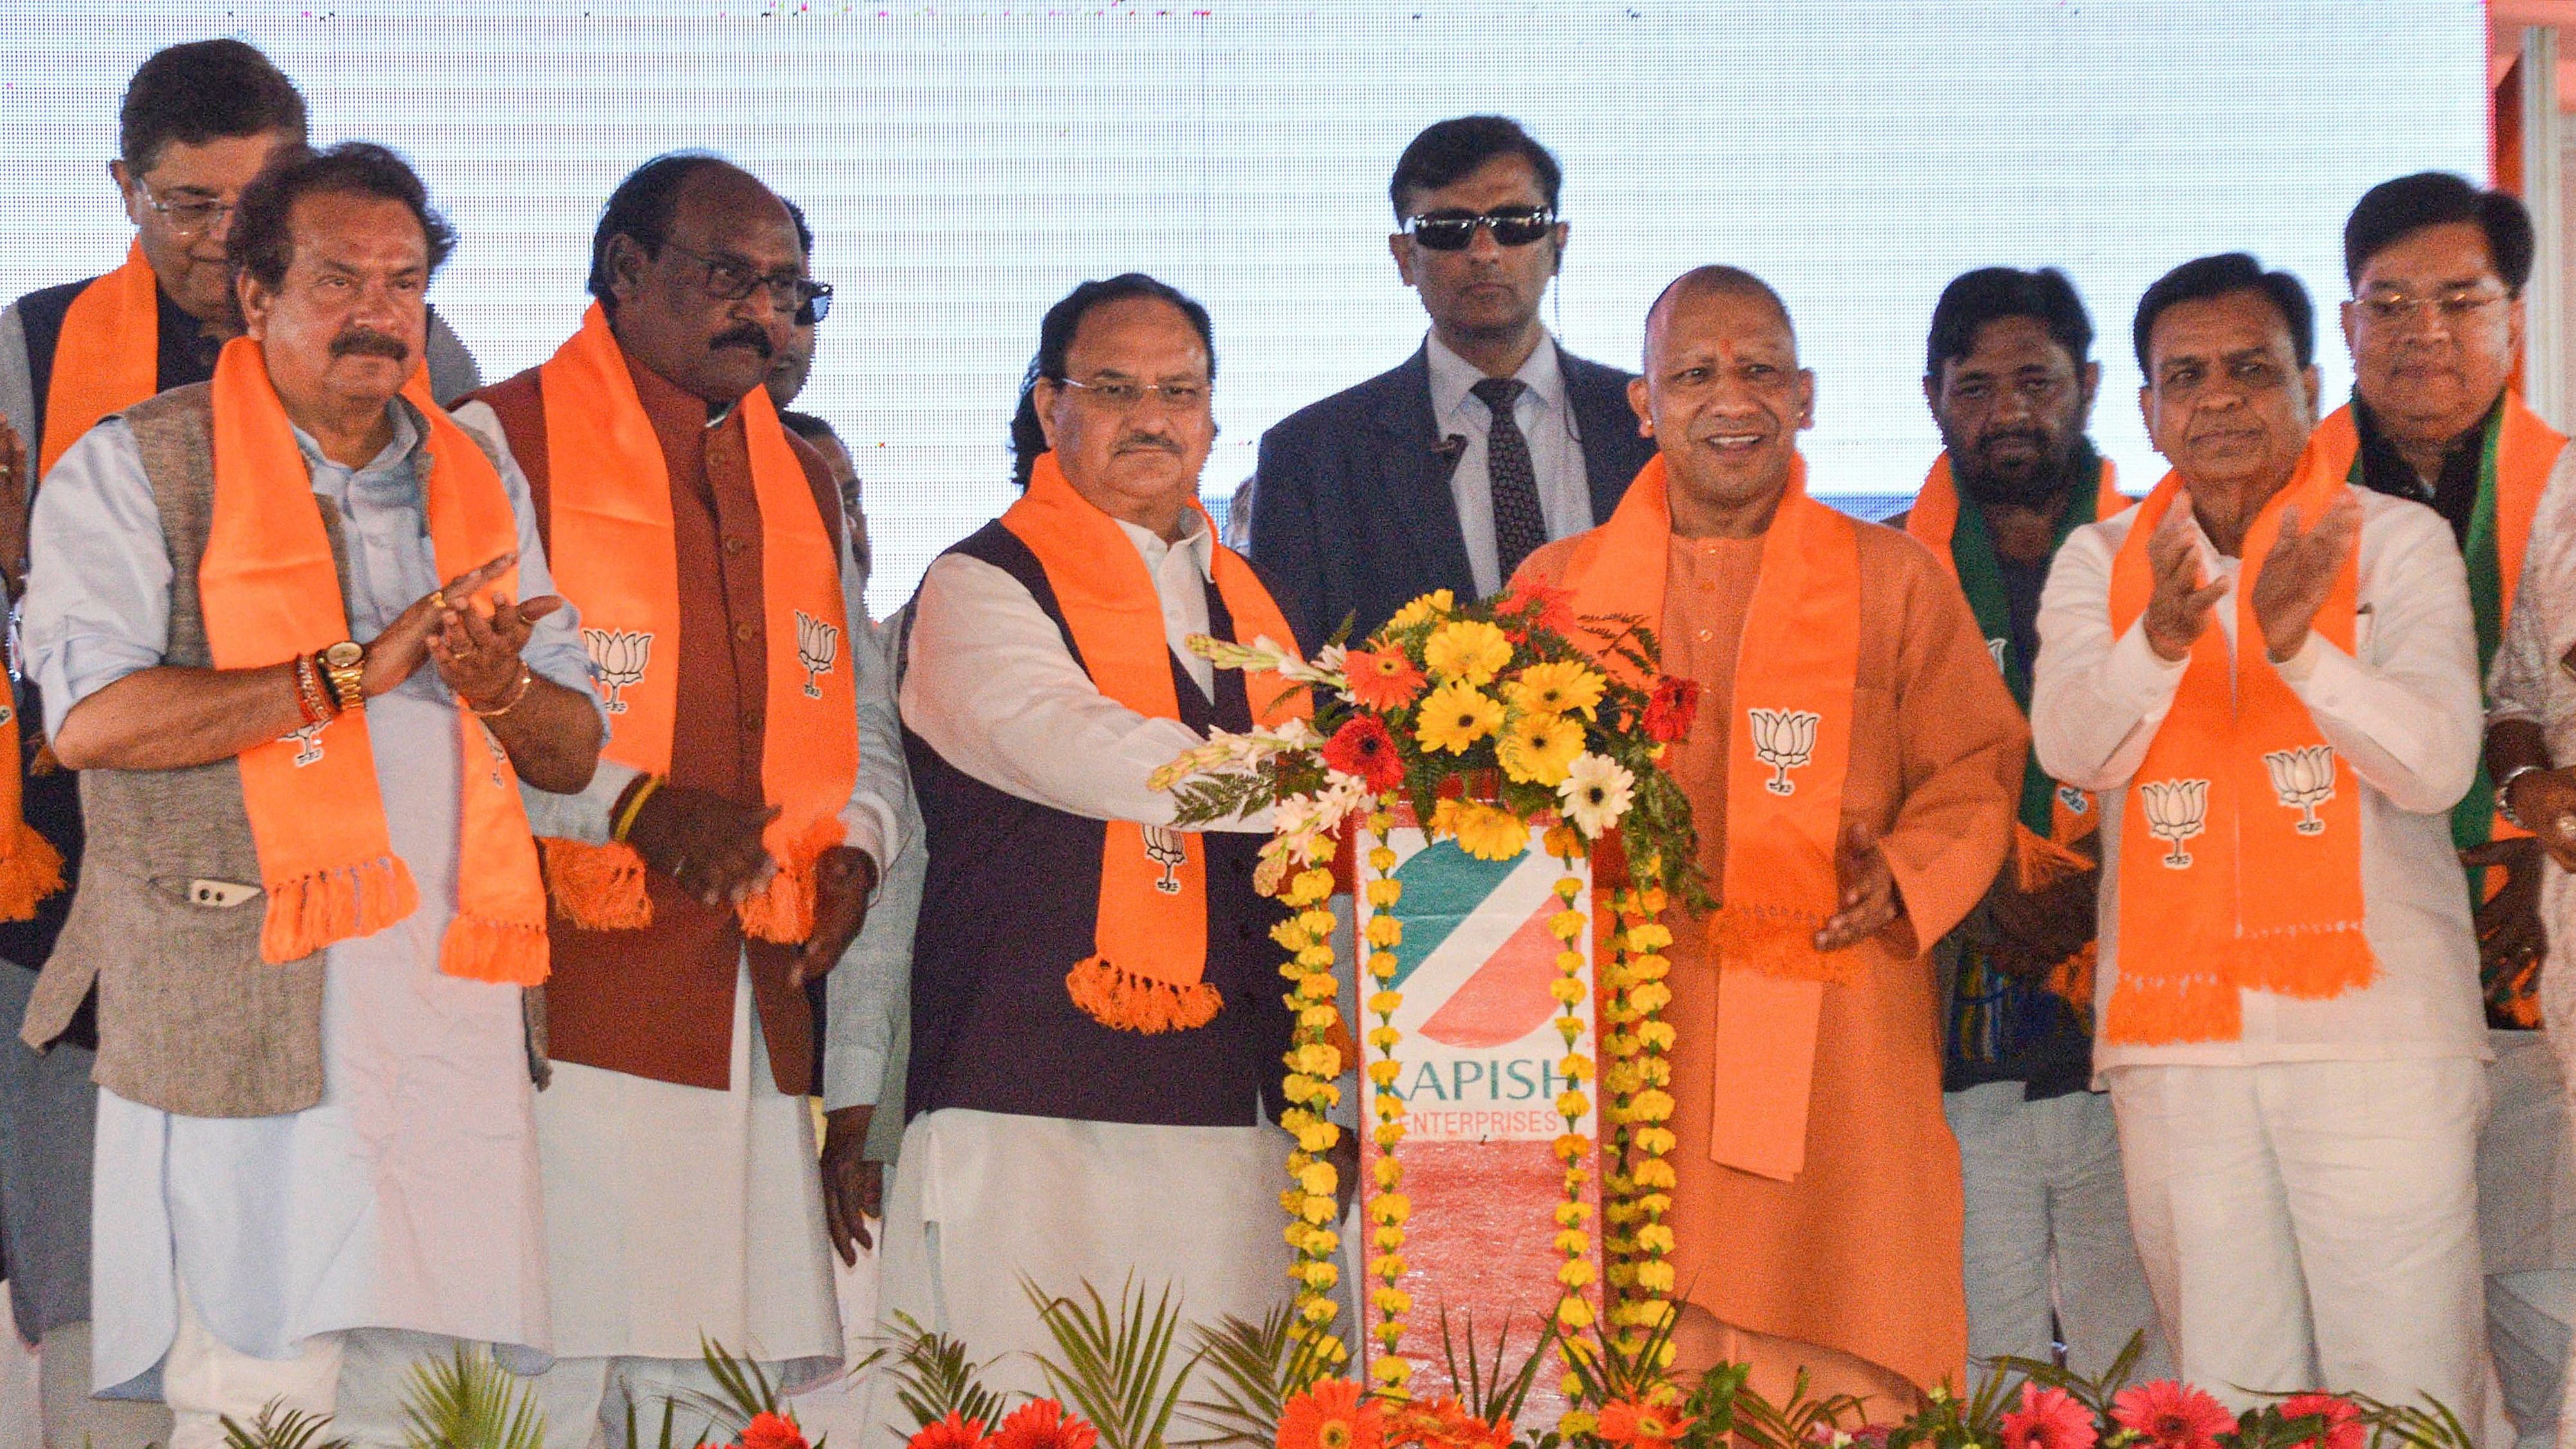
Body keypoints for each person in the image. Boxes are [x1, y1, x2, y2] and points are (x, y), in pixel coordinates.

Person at [14, 141, 602, 1447]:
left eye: (405, 281)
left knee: (429, 1397)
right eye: (339, 278)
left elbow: (570, 747)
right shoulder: (134, 467)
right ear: (254, 289)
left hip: (448, 1013)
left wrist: (500, 690)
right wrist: (347, 671)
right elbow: (97, 718)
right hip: (243, 996)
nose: (380, 312)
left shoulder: (475, 478)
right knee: (254, 1394)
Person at [1515, 266, 2024, 1405]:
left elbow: (1974, 766)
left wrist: (1901, 873)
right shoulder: (1555, 591)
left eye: (1756, 370)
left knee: (1841, 1340)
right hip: (1623, 1033)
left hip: (1836, 1031)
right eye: (1692, 374)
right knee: (1632, 1343)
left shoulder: (1893, 578)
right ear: (1641, 405)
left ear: (1804, 396)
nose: (1727, 397)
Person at [458, 151, 903, 1443]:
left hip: (752, 1012)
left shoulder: (804, 473)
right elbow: (460, 711)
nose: (763, 311)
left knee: (713, 1386)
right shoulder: (501, 436)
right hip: (562, 997)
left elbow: (862, 723)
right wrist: (637, 807)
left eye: (788, 288)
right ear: (627, 272)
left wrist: (855, 855)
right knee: (546, 1377)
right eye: (730, 276)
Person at [2032, 252, 2487, 1414]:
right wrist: (2160, 642)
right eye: (2184, 374)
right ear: (2142, 408)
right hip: (2180, 1053)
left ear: (2307, 380)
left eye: (2250, 367)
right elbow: (2070, 751)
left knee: (2408, 1383)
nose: (2218, 397)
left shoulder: (2390, 542)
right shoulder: (2101, 562)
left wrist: (2297, 647)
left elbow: (2436, 765)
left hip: (2376, 1036)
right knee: (2225, 1397)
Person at [877, 273, 1304, 1409]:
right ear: (1045, 407)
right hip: (1028, 1101)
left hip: (1233, 1102)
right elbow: (1083, 750)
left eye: (1179, 390)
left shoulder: (1249, 604)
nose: (1151, 416)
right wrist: (1327, 778)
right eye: (1112, 388)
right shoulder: (976, 584)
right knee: (1027, 1414)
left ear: (1214, 416)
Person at [2326, 173, 2576, 1449]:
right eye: (2392, 303)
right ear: (2346, 323)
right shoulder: (2268, 494)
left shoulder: (2565, 492)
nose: (2425, 331)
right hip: (2342, 993)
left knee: (2545, 1325)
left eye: (2460, 300)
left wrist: (2535, 873)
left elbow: (2535, 710)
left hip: (2536, 996)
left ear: (2514, 318)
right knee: (2374, 1337)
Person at [1898, 268, 2167, 1379]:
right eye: (1975, 386)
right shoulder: (1886, 572)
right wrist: (1980, 870)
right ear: (1931, 398)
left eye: (2035, 381)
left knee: (2149, 1366)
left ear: (2089, 385)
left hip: (2139, 1042)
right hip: (1956, 1051)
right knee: (1983, 1371)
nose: (2007, 410)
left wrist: (2090, 872)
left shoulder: (2168, 547)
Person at [1247, 115, 1654, 645]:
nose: (1484, 252)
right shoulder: (1313, 457)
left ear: (1558, 245)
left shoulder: (1647, 426)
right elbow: (1294, 678)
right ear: (1404, 258)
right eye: (1448, 231)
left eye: (1515, 224)